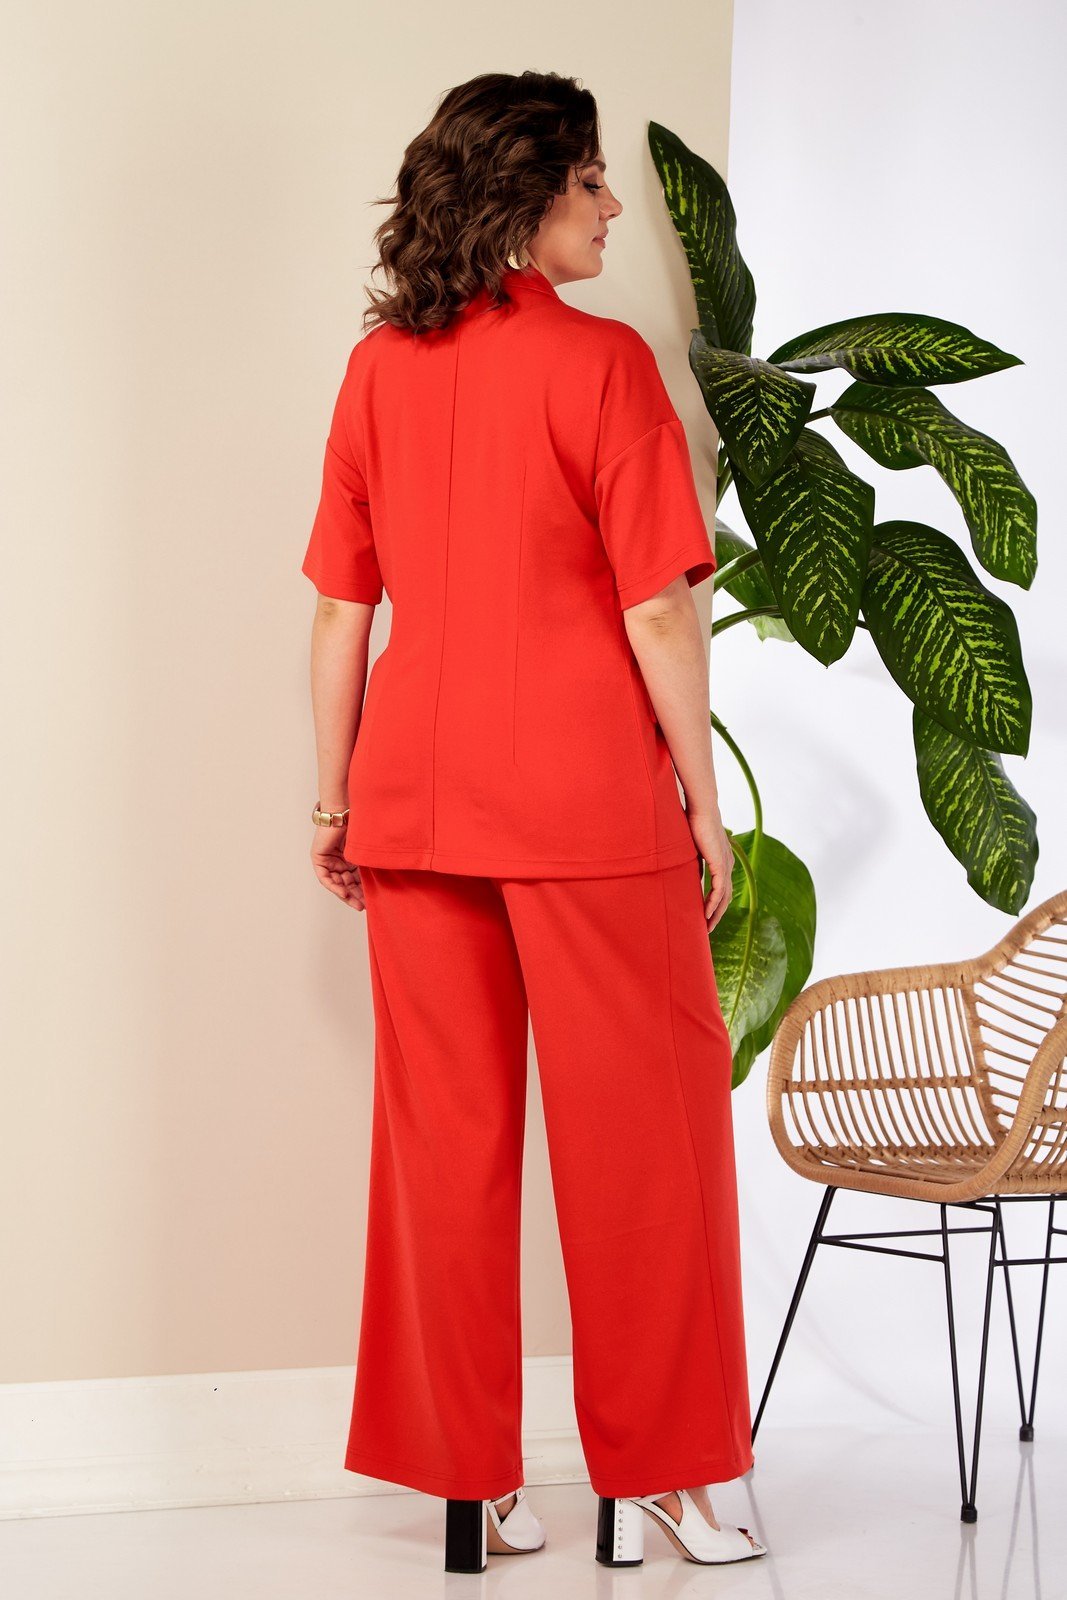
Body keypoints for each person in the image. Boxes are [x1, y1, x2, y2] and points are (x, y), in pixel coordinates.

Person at [301, 69, 768, 1573]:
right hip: (584, 808)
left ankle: (471, 1489)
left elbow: (341, 611)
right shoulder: (605, 365)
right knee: (646, 1147)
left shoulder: (379, 369)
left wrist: (335, 796)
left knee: (443, 1151)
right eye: (589, 181)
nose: (614, 206)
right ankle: (666, 1481)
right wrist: (705, 806)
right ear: (524, 196)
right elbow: (660, 611)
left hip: (415, 802)